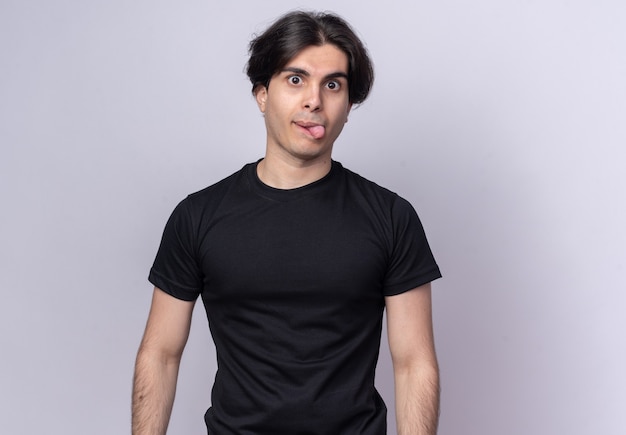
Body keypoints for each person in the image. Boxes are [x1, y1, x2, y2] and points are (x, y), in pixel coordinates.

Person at [132, 10, 441, 435]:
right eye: (295, 79)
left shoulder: (391, 217)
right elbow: (160, 354)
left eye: (332, 85)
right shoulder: (198, 216)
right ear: (262, 94)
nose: (314, 100)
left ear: (348, 106)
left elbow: (413, 364)